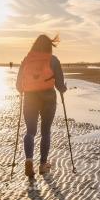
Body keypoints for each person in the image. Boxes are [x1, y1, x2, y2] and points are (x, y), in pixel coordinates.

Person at [16, 34, 67, 178]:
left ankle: (28, 161)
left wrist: (25, 90)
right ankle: (43, 165)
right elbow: (60, 86)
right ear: (49, 46)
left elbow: (18, 85)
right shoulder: (53, 60)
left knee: (30, 131)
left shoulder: (27, 60)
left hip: (30, 97)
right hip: (48, 98)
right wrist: (63, 89)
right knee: (45, 131)